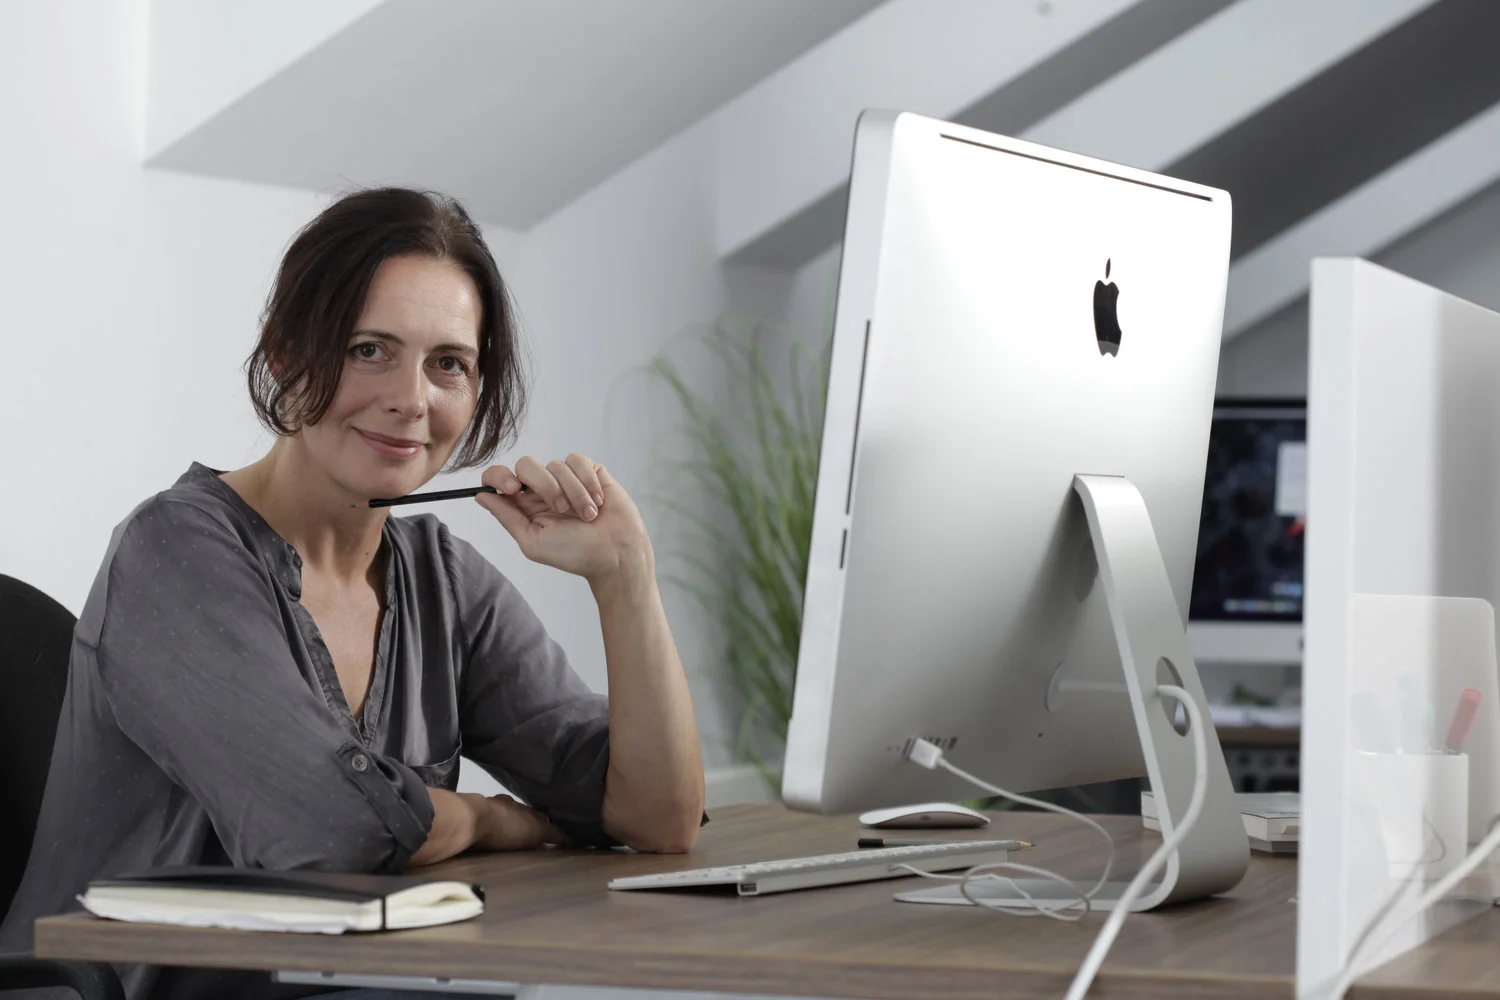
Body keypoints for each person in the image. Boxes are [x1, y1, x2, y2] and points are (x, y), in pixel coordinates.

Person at [0, 188, 705, 1000]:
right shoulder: (175, 553)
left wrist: (625, 579)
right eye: (369, 349)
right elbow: (325, 833)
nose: (412, 399)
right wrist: (491, 817)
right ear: (285, 354)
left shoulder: (441, 578)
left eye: (449, 363)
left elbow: (657, 816)